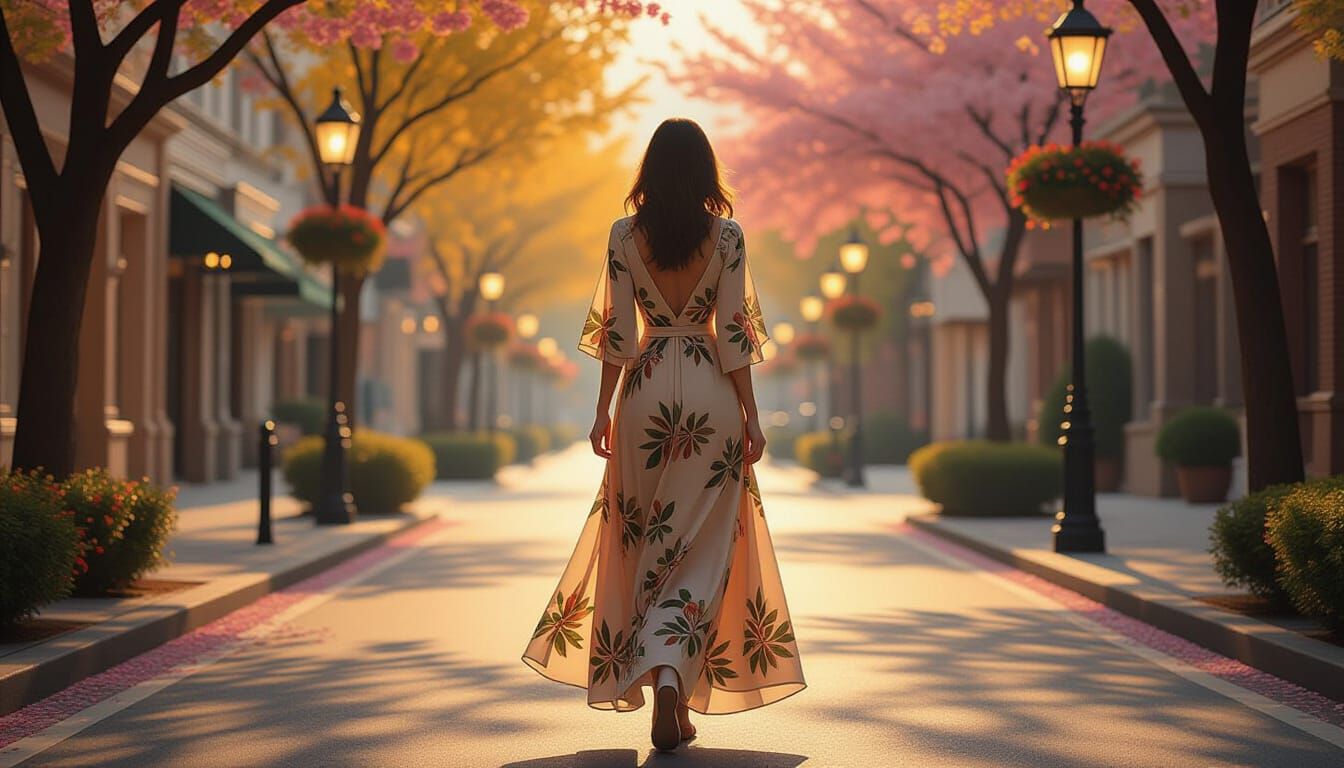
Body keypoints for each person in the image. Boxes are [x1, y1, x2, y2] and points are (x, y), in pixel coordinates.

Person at [521, 118, 805, 753]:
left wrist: (602, 411)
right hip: (711, 393)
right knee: (703, 547)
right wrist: (753, 415)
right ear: (706, 170)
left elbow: (617, 334)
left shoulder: (626, 234)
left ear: (649, 170)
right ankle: (676, 668)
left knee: (643, 538)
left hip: (645, 391)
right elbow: (734, 334)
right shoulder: (726, 236)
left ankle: (658, 679)